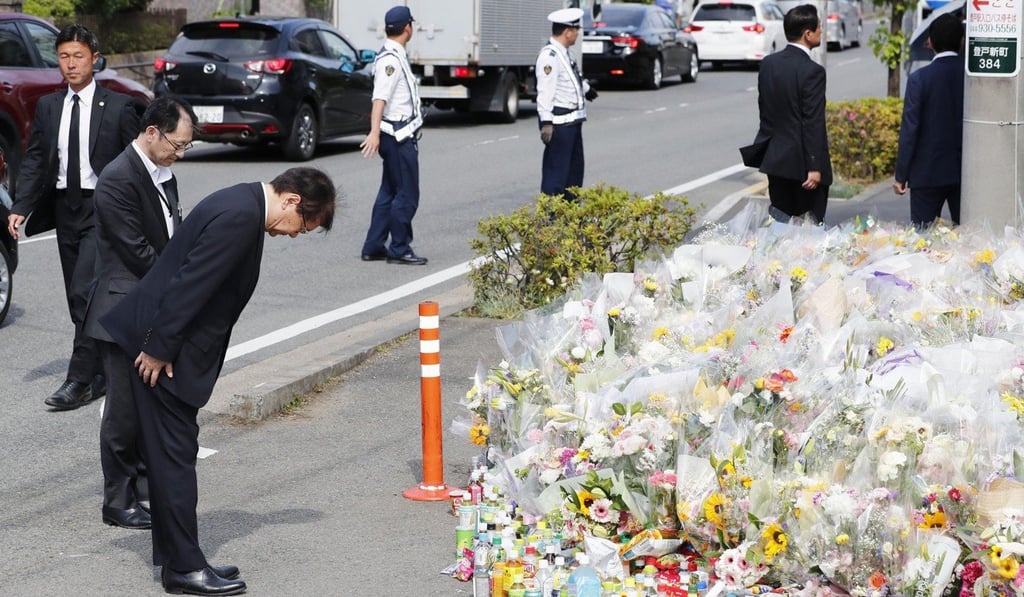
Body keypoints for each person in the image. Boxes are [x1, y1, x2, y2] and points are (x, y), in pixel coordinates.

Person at [99, 167, 336, 596]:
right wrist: (159, 347)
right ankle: (184, 569)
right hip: (161, 353)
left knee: (172, 457)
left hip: (163, 346)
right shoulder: (241, 217)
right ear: (293, 201)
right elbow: (191, 283)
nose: (296, 235)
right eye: (304, 226)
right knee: (175, 461)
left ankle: (181, 561)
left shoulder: (241, 201)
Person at [6, 24, 141, 411]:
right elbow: (35, 160)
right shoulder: (50, 107)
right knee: (76, 297)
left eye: (78, 56)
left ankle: (79, 379)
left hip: (104, 209)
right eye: (63, 56)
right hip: (66, 209)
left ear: (95, 59)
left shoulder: (117, 106)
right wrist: (19, 207)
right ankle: (103, 370)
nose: (70, 64)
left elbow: (135, 164)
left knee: (86, 290)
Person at [81, 96, 196, 531]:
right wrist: (184, 284)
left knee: (156, 404)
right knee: (124, 412)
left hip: (157, 304)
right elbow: (138, 252)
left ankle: (148, 487)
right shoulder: (116, 179)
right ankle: (118, 498)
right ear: (152, 133)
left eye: (187, 146)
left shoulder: (164, 172)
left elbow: (173, 234)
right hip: (124, 307)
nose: (180, 153)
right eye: (177, 145)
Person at [748, 4, 832, 223]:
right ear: (808, 33)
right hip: (804, 167)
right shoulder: (812, 71)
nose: (821, 32)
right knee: (808, 235)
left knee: (780, 229)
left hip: (775, 160)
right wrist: (814, 166)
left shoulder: (768, 64)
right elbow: (812, 120)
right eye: (819, 28)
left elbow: (765, 111)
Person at [359, 5, 427, 266]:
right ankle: (399, 247)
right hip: (397, 136)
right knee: (407, 193)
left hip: (395, 134)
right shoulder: (391, 59)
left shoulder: (392, 54)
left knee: (389, 191)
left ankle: (374, 245)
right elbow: (380, 99)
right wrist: (374, 132)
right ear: (407, 28)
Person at [893, 13, 965, 228]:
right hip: (966, 172)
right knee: (972, 239)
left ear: (930, 42)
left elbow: (910, 129)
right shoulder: (973, 76)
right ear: (962, 41)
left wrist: (901, 175)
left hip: (927, 172)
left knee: (922, 240)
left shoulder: (919, 79)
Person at [536, 8, 598, 200]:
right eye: (576, 30)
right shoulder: (550, 56)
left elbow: (570, 78)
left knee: (574, 171)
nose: (577, 34)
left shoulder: (564, 53)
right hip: (559, 124)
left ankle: (569, 215)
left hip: (572, 122)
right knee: (557, 171)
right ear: (567, 31)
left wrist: (586, 89)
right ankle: (551, 215)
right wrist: (546, 122)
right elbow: (545, 91)